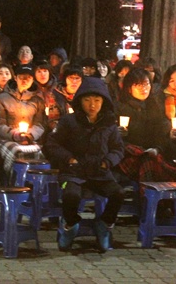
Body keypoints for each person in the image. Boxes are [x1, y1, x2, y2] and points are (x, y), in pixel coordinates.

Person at [45, 76, 125, 253]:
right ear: (80, 100)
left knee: (118, 194)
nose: (92, 105)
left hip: (99, 172)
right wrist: (69, 159)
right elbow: (52, 144)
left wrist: (107, 162)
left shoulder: (109, 124)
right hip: (75, 172)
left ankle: (104, 225)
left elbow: (118, 149)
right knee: (70, 196)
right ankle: (70, 225)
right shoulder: (69, 121)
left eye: (97, 100)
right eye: (87, 100)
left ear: (104, 101)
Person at [0, 64, 46, 176]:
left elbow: (39, 124)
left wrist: (30, 135)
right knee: (16, 152)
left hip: (29, 138)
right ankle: (14, 182)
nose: (25, 81)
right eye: (22, 77)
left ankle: (34, 183)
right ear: (16, 78)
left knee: (38, 153)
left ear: (32, 80)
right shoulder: (3, 98)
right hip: (8, 138)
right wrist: (14, 134)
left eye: (28, 78)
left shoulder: (37, 100)